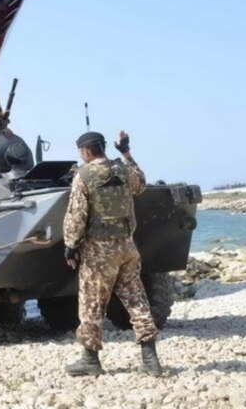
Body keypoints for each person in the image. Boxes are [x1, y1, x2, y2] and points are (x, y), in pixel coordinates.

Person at [63, 130, 163, 377]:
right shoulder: (123, 170)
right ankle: (150, 359)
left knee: (92, 304)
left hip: (99, 251)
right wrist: (126, 152)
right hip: (127, 247)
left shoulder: (83, 175)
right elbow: (141, 183)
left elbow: (76, 214)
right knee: (137, 300)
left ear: (86, 151)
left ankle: (90, 359)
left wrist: (70, 246)